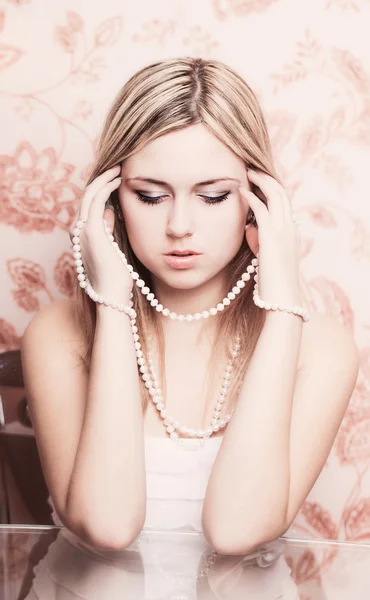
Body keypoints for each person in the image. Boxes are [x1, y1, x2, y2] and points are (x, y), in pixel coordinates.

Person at [21, 57, 359, 556]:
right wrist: (111, 303)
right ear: (109, 202)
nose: (180, 225)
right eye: (152, 196)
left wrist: (284, 306)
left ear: (259, 198)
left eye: (214, 196)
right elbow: (106, 526)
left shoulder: (322, 347)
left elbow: (236, 532)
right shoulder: (59, 333)